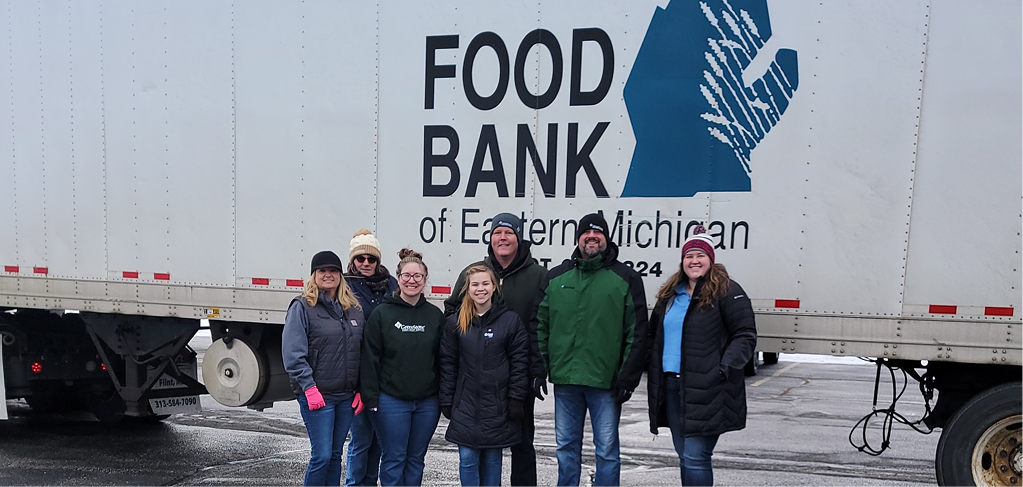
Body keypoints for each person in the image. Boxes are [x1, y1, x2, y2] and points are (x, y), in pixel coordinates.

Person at [537, 213, 649, 486]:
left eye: (598, 233)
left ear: (607, 238)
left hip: (606, 383)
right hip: (566, 381)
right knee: (565, 448)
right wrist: (539, 367)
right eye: (586, 233)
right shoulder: (556, 278)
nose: (591, 237)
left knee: (607, 451)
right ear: (578, 238)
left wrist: (627, 377)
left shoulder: (625, 278)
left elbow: (637, 332)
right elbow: (540, 325)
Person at [443, 213, 549, 486]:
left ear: (519, 238)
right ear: (490, 238)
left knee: (522, 443)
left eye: (509, 233)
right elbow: (453, 313)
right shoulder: (475, 272)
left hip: (516, 376)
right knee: (477, 449)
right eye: (497, 233)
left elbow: (543, 323)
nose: (503, 238)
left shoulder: (537, 275)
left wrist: (538, 368)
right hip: (474, 379)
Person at [646, 225, 757, 486]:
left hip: (708, 389)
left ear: (711, 259)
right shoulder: (670, 294)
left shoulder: (727, 291)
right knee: (684, 456)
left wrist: (723, 368)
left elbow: (745, 334)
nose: (694, 261)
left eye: (700, 255)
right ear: (682, 261)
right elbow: (654, 335)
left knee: (696, 456)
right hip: (672, 385)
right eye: (689, 256)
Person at [360, 249, 444, 487]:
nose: (412, 281)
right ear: (398, 278)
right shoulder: (382, 314)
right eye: (407, 275)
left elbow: (442, 359)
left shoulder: (434, 316)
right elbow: (370, 358)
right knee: (394, 459)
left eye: (417, 276)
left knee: (416, 459)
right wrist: (371, 398)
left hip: (427, 402)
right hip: (391, 400)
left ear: (425, 280)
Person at [440, 264, 530, 486]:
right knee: (468, 458)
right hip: (465, 403)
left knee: (492, 459)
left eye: (485, 283)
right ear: (467, 289)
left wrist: (516, 398)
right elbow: (448, 363)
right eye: (475, 284)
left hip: (497, 405)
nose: (480, 289)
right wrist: (447, 399)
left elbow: (520, 363)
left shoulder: (510, 321)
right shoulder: (456, 323)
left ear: (494, 287)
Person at [283, 250, 367, 486]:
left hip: (345, 397)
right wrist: (309, 388)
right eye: (322, 271)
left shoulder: (353, 309)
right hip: (318, 396)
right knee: (321, 455)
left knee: (335, 455)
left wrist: (361, 388)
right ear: (314, 275)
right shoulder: (302, 307)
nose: (328, 275)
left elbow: (361, 352)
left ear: (341, 275)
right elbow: (293, 354)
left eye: (333, 271)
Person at [344, 229, 398, 487]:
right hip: (359, 375)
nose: (365, 264)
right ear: (352, 260)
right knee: (361, 439)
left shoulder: (392, 285)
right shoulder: (344, 287)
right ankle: (355, 483)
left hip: (385, 374)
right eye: (360, 259)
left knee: (379, 440)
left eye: (371, 259)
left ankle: (369, 483)